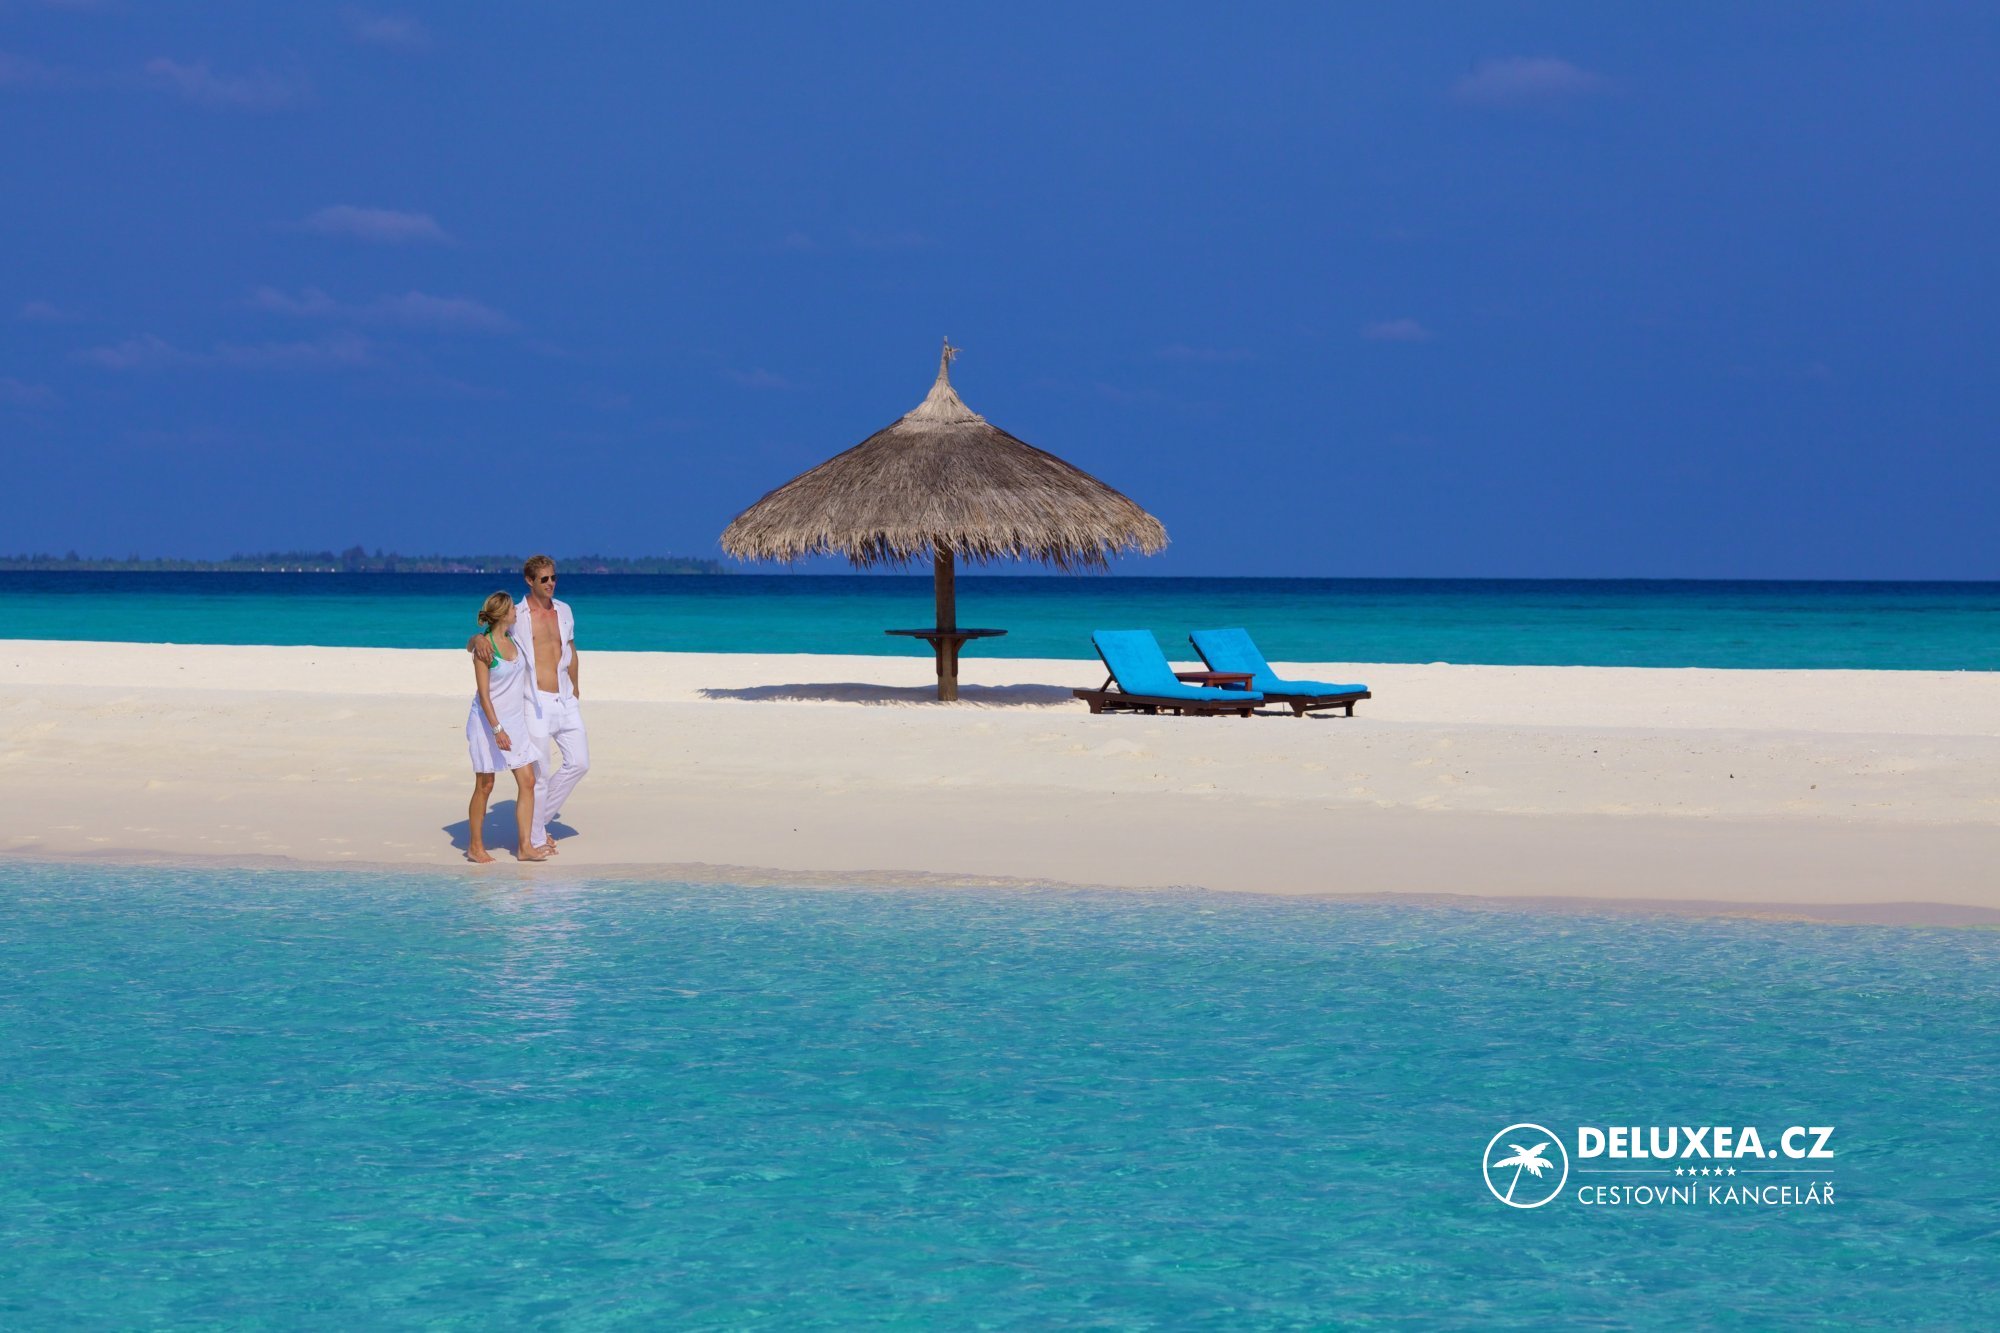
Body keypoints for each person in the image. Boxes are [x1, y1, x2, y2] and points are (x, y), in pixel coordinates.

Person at [511, 555, 588, 854]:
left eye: (553, 577)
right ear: (529, 580)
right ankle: (536, 838)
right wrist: (476, 642)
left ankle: (537, 824)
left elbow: (570, 649)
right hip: (536, 702)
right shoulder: (516, 614)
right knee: (540, 775)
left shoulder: (564, 610)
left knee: (579, 763)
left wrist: (576, 686)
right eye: (544, 579)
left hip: (565, 698)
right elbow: (488, 635)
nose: (551, 583)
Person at [464, 592, 547, 863]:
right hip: (487, 722)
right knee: (485, 784)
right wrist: (497, 729)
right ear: (502, 614)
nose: (516, 612)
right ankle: (475, 847)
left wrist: (474, 638)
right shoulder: (485, 648)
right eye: (512, 609)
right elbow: (484, 696)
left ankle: (525, 847)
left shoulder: (515, 637)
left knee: (528, 781)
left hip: (515, 721)